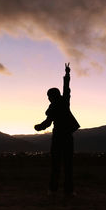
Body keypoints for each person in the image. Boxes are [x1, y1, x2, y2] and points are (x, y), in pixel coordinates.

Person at [34, 63, 80, 196]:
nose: (48, 98)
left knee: (56, 165)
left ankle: (53, 190)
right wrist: (67, 74)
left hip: (58, 137)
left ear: (51, 96)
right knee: (68, 165)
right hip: (67, 137)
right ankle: (69, 191)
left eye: (48, 96)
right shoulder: (64, 102)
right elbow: (67, 89)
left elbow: (47, 123)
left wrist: (38, 127)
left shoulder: (54, 107)